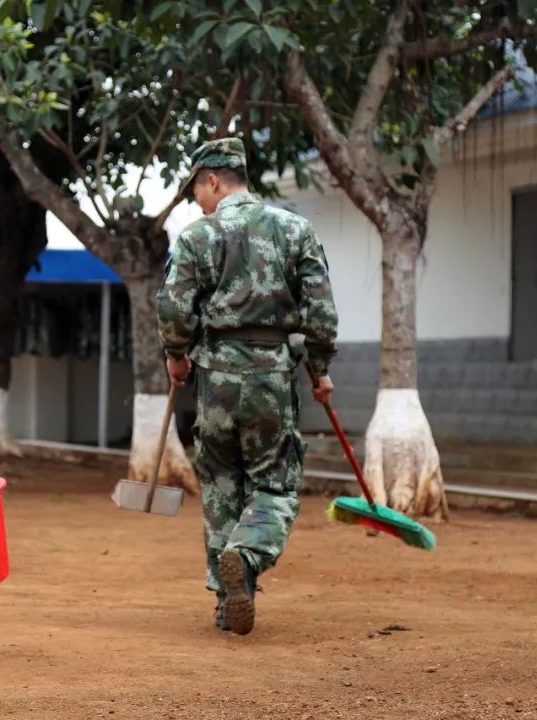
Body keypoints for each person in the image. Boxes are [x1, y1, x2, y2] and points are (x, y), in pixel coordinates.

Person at [156, 137, 339, 635]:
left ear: (213, 179)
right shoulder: (296, 230)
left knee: (219, 484)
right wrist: (319, 368)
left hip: (214, 379)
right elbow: (321, 311)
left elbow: (173, 308)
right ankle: (248, 554)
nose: (197, 199)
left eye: (197, 188)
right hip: (271, 377)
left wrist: (176, 357)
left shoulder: (197, 236)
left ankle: (226, 598)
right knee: (274, 482)